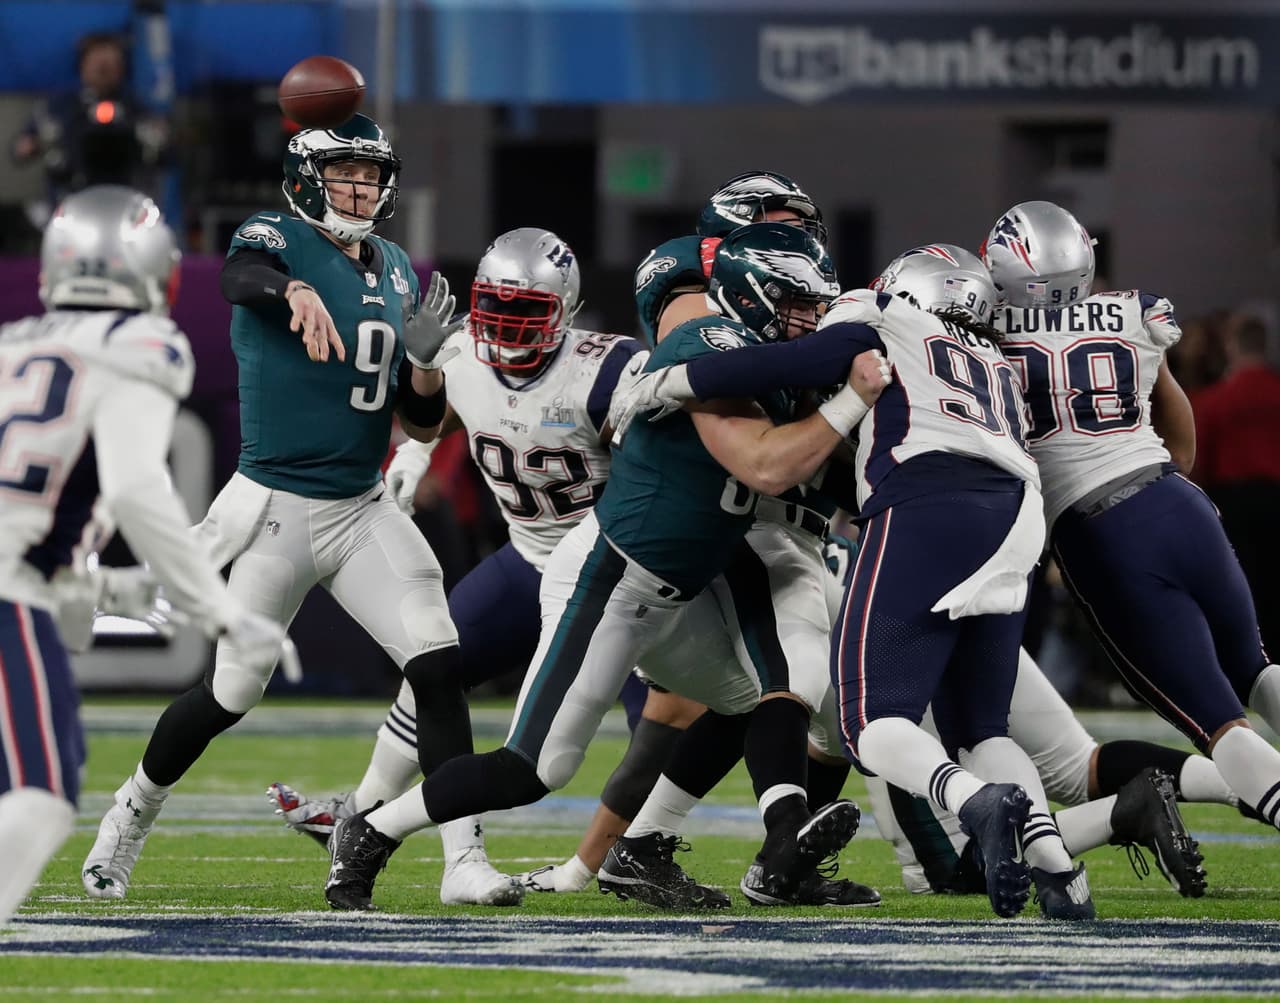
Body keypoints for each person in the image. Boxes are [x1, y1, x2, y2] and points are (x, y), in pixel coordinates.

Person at [321, 221, 889, 911]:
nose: (811, 319)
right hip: (610, 575)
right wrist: (854, 378)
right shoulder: (709, 340)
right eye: (798, 304)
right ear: (753, 296)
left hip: (687, 582)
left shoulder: (763, 364)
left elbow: (811, 427)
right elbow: (767, 456)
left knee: (770, 693)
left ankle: (727, 845)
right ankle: (372, 829)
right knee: (534, 768)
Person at [80, 113, 509, 906]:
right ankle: (130, 810)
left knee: (437, 660)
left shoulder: (397, 270)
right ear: (308, 180)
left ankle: (463, 858)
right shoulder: (276, 238)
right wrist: (294, 288)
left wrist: (423, 367)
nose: (361, 187)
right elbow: (237, 277)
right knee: (233, 691)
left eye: (370, 175)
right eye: (346, 172)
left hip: (361, 505)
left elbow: (420, 423)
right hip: (277, 507)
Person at [613, 244, 1096, 921]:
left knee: (868, 721)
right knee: (983, 728)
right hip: (1017, 516)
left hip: (930, 499)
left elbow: (782, 363)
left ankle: (970, 800)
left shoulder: (886, 315)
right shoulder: (996, 359)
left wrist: (673, 380)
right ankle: (1059, 874)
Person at [264, 226, 644, 901]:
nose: (505, 325)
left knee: (660, 724)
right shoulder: (460, 348)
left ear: (566, 310)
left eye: (526, 310)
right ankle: (362, 812)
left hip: (613, 577)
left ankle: (639, 849)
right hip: (528, 559)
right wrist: (412, 455)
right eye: (495, 305)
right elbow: (434, 413)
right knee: (433, 669)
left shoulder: (604, 370)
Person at [0, 185, 291, 923]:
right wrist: (219, 608)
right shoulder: (143, 346)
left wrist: (101, 589)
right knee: (38, 800)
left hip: (21, 580)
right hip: (9, 594)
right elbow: (136, 488)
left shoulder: (14, 341)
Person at [983, 201, 1280, 836]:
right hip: (1178, 502)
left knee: (1217, 722)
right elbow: (1183, 444)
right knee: (1255, 667)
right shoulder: (1134, 313)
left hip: (1101, 532)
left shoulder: (979, 331)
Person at [1192, 312, 1280, 654]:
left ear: (1232, 345)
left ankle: (1251, 657)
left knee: (1242, 585)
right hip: (1276, 499)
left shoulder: (1214, 401)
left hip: (1233, 502)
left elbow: (1198, 461)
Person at [10, 34, 167, 220]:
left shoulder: (137, 108)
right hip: (70, 206)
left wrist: (160, 139)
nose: (104, 71)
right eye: (97, 64)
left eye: (110, 65)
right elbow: (20, 149)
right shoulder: (61, 108)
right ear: (82, 66)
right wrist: (31, 144)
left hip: (126, 207)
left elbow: (166, 152)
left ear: (122, 69)